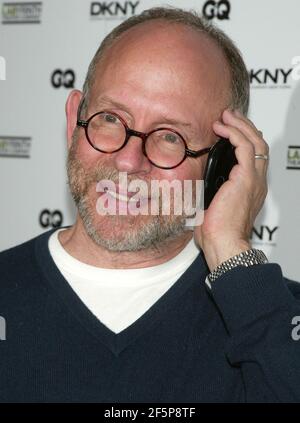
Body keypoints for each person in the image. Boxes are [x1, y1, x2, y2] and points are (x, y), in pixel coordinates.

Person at [0, 6, 300, 403]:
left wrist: (232, 251)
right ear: (74, 119)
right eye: (110, 118)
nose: (128, 160)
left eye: (171, 136)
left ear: (222, 165)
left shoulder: (269, 318)